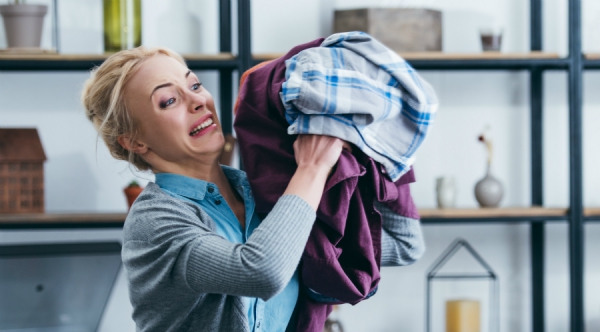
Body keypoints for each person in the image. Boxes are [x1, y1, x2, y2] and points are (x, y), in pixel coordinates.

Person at [82, 46, 424, 332]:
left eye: (196, 85)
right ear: (135, 141)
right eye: (169, 101)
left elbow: (404, 245)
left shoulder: (264, 191)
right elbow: (261, 271)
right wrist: (313, 166)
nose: (198, 101)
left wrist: (382, 139)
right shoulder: (154, 222)